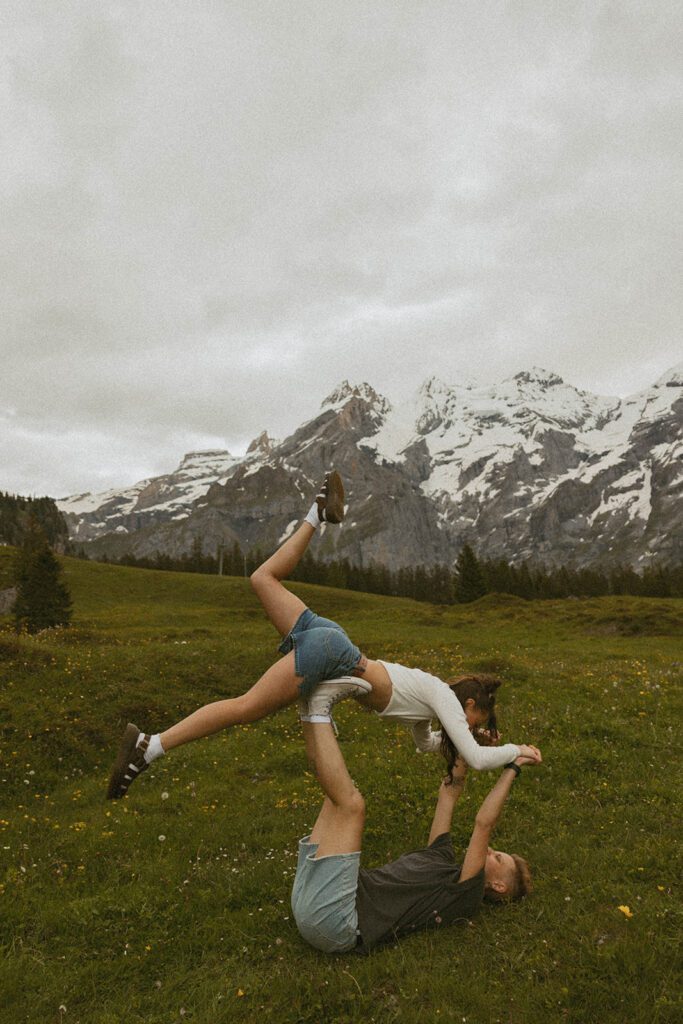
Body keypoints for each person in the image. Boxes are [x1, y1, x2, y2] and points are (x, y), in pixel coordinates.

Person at [107, 471, 540, 800]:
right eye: (476, 720)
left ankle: (317, 513)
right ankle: (150, 746)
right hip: (332, 654)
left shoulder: (431, 702)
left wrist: (473, 739)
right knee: (245, 708)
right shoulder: (443, 699)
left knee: (263, 578)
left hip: (333, 639)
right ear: (469, 704)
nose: (469, 727)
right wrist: (517, 749)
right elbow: (482, 761)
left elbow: (425, 744)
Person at [291, 712, 542, 953]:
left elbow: (484, 823)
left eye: (497, 857)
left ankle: (319, 712)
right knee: (334, 795)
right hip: (310, 897)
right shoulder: (440, 856)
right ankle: (311, 709)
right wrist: (470, 742)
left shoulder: (465, 896)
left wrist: (514, 765)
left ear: (497, 886)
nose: (489, 849)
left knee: (351, 806)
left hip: (339, 920)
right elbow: (449, 792)